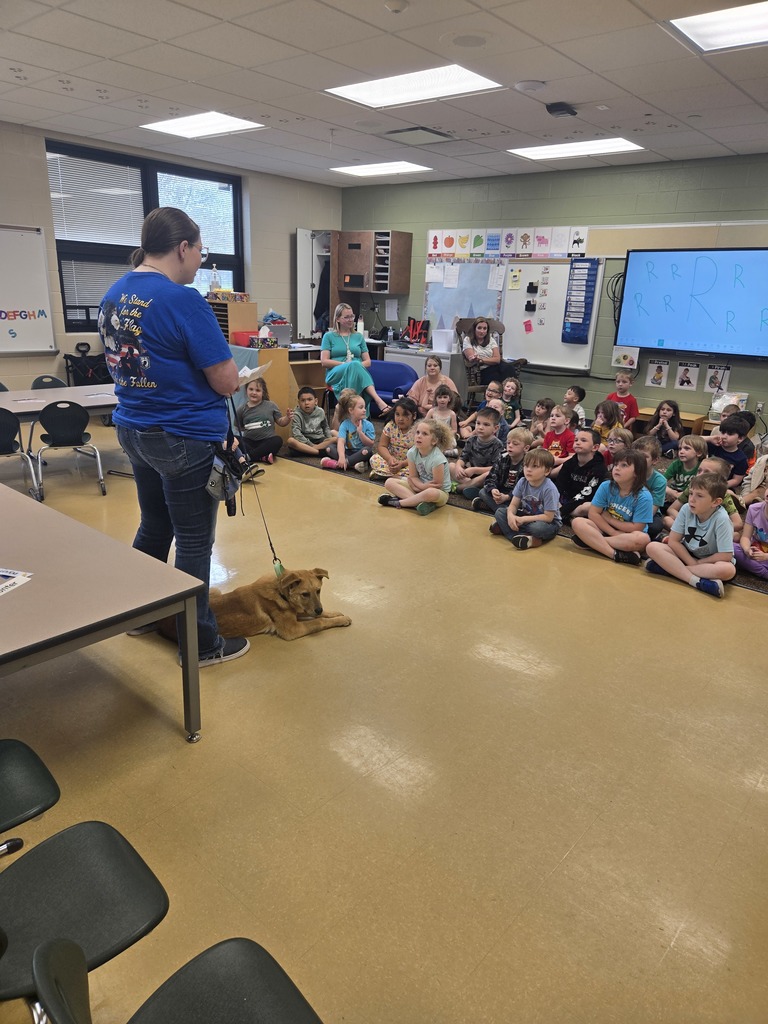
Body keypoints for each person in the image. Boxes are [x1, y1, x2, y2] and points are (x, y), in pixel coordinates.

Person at [97, 206, 249, 666]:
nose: (201, 261)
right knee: (195, 540)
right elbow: (224, 382)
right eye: (201, 251)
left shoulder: (115, 292)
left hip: (134, 427)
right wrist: (239, 377)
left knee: (153, 525)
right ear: (183, 248)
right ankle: (201, 643)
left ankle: (140, 614)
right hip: (183, 435)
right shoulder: (184, 300)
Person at [645, 472, 737, 598]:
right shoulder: (686, 509)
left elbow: (725, 555)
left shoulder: (722, 519)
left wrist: (699, 562)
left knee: (728, 570)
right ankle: (696, 581)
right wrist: (691, 562)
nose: (692, 499)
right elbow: (674, 541)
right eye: (691, 493)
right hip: (687, 554)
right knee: (652, 547)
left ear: (716, 502)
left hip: (709, 561)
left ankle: (670, 569)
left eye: (699, 496)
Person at [570, 448, 652, 565]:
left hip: (627, 535)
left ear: (637, 472)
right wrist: (612, 532)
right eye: (616, 464)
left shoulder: (644, 496)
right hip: (603, 529)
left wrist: (609, 519)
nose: (617, 468)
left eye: (624, 465)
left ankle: (590, 542)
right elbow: (593, 513)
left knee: (643, 539)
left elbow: (637, 527)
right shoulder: (606, 486)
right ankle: (614, 554)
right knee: (578, 522)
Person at [321, 302, 390, 416]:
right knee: (354, 364)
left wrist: (354, 366)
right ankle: (378, 400)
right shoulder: (329, 336)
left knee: (355, 365)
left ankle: (352, 413)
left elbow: (368, 362)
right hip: (335, 373)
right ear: (337, 319)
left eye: (352, 316)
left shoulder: (358, 336)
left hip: (356, 371)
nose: (350, 320)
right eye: (346, 317)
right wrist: (346, 364)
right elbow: (324, 362)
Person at [489, 447, 561, 549]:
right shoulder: (522, 482)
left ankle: (510, 531)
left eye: (535, 466)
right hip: (526, 515)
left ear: (547, 470)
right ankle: (527, 538)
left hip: (548, 523)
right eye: (526, 466)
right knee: (500, 512)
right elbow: (513, 505)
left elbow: (548, 517)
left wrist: (523, 519)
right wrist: (510, 516)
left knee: (537, 528)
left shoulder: (549, 488)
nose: (529, 469)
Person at [378, 418, 453, 515]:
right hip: (420, 486)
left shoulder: (437, 458)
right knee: (389, 482)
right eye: (417, 432)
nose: (419, 436)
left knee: (430, 493)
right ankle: (419, 503)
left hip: (439, 493)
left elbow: (438, 485)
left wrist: (418, 487)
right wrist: (420, 486)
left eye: (424, 434)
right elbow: (413, 476)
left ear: (434, 441)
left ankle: (398, 502)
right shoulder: (412, 453)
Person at [663, 455, 743, 537]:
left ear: (720, 479)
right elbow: (672, 509)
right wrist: (685, 522)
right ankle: (688, 539)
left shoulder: (723, 496)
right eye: (699, 471)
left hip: (711, 532)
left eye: (707, 472)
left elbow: (738, 523)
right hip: (689, 526)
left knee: (735, 535)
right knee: (667, 520)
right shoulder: (692, 488)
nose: (700, 475)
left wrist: (711, 529)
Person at [471, 426, 533, 514]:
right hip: (500, 493)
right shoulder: (502, 457)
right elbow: (491, 477)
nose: (510, 446)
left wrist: (508, 496)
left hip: (517, 497)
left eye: (515, 444)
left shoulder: (528, 464)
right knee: (483, 492)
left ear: (526, 448)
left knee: (524, 503)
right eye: (508, 443)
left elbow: (525, 489)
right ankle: (505, 511)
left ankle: (496, 509)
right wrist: (493, 490)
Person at [237, 376, 293, 465]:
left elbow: (281, 422)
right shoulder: (241, 409)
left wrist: (287, 418)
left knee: (278, 440)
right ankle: (262, 456)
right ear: (246, 390)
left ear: (263, 392)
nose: (254, 393)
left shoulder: (271, 405)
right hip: (249, 442)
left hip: (267, 441)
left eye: (258, 390)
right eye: (251, 389)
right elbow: (239, 427)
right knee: (235, 439)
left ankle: (249, 457)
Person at [555, 427, 607, 522]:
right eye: (576, 440)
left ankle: (562, 515)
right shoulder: (569, 463)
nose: (578, 443)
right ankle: (567, 516)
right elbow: (559, 485)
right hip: (565, 500)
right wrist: (558, 503)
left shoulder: (599, 469)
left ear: (595, 447)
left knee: (587, 507)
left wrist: (562, 510)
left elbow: (587, 494)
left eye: (583, 440)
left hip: (583, 502)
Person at [450, 407, 504, 496]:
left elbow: (495, 468)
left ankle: (458, 488)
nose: (480, 427)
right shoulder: (471, 440)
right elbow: (462, 458)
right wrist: (459, 467)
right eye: (478, 423)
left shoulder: (498, 445)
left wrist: (475, 470)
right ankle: (472, 487)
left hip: (484, 477)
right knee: (451, 466)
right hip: (470, 476)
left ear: (495, 428)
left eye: (486, 424)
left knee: (486, 475)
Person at [321, 389, 375, 472]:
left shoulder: (368, 425)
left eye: (364, 407)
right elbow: (341, 442)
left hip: (360, 453)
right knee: (329, 448)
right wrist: (342, 456)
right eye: (361, 408)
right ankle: (352, 465)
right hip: (347, 451)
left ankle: (337, 464)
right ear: (351, 410)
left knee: (367, 451)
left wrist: (360, 433)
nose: (364, 410)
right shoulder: (345, 424)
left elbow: (370, 444)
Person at [369, 397, 418, 479]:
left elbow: (419, 455)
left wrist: (402, 464)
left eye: (405, 415)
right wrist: (389, 459)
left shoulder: (418, 430)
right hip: (392, 460)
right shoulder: (391, 426)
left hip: (409, 462)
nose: (400, 419)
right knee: (374, 459)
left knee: (418, 468)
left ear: (414, 415)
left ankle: (385, 475)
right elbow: (382, 446)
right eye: (397, 414)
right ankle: (398, 477)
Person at [287, 386, 338, 457]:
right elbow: (297, 434)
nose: (306, 403)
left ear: (316, 401)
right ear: (299, 402)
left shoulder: (320, 411)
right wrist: (312, 445)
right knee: (290, 441)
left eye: (309, 399)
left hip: (320, 439)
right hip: (304, 442)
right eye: (303, 400)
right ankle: (318, 452)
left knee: (335, 438)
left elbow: (325, 427)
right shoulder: (296, 414)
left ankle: (310, 451)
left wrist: (328, 439)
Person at [734, 480, 768, 579]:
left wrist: (765, 557)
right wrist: (747, 549)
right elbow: (745, 537)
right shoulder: (754, 509)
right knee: (731, 548)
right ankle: (762, 571)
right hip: (756, 549)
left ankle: (758, 570)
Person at [706, 415, 749, 489]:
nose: (724, 436)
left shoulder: (741, 458)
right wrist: (710, 438)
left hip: (722, 487)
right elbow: (691, 441)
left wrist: (718, 486)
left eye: (729, 434)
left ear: (740, 438)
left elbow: (736, 480)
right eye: (722, 432)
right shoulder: (713, 445)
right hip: (704, 481)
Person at [664, 434, 707, 502]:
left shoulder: (702, 467)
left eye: (687, 448)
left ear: (698, 453)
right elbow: (660, 481)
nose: (681, 452)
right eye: (680, 448)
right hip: (674, 492)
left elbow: (703, 488)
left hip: (691, 494)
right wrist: (671, 492)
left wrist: (683, 495)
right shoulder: (676, 464)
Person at [461, 316, 502, 385]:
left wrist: (482, 359)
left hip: (495, 367)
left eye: (484, 328)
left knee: (509, 368)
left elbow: (497, 359)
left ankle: (512, 391)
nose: (482, 331)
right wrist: (491, 360)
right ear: (474, 329)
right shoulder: (468, 340)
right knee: (502, 377)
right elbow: (473, 359)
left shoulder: (491, 340)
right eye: (479, 328)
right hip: (481, 371)